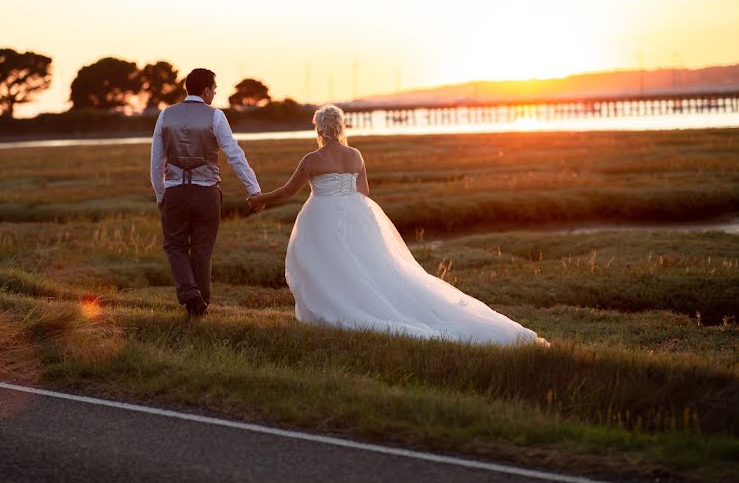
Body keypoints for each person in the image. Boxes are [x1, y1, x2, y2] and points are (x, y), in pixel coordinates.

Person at [248, 105, 549, 346]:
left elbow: (289, 192)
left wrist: (260, 197)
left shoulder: (312, 159)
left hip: (322, 215)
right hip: (355, 213)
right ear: (340, 128)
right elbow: (363, 191)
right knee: (365, 266)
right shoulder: (354, 155)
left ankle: (332, 310)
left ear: (319, 129)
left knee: (326, 265)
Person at [151, 68, 263, 317]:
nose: (215, 93)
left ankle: (191, 296)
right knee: (202, 251)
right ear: (205, 90)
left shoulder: (165, 115)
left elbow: (156, 162)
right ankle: (198, 303)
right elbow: (235, 155)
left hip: (176, 192)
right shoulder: (216, 116)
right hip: (207, 194)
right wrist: (254, 189)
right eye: (214, 89)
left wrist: (161, 195)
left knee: (174, 246)